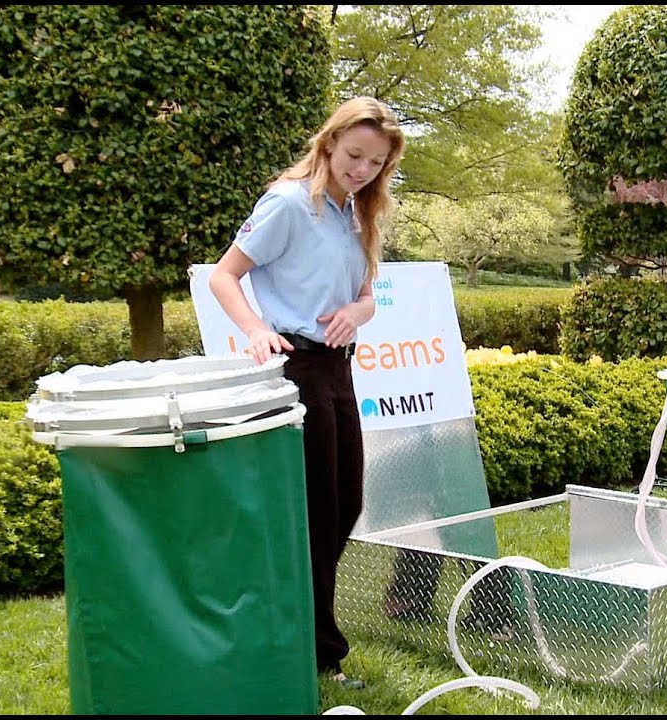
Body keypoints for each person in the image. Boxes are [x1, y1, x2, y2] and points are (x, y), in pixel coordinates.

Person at [209, 96, 405, 688]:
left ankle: (292, 628)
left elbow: (368, 296)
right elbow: (225, 274)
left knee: (345, 504)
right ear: (328, 143)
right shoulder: (290, 204)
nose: (361, 170)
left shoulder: (358, 213)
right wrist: (255, 331)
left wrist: (357, 312)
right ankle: (320, 653)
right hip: (297, 367)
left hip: (339, 368)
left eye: (375, 163)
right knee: (318, 513)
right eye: (354, 155)